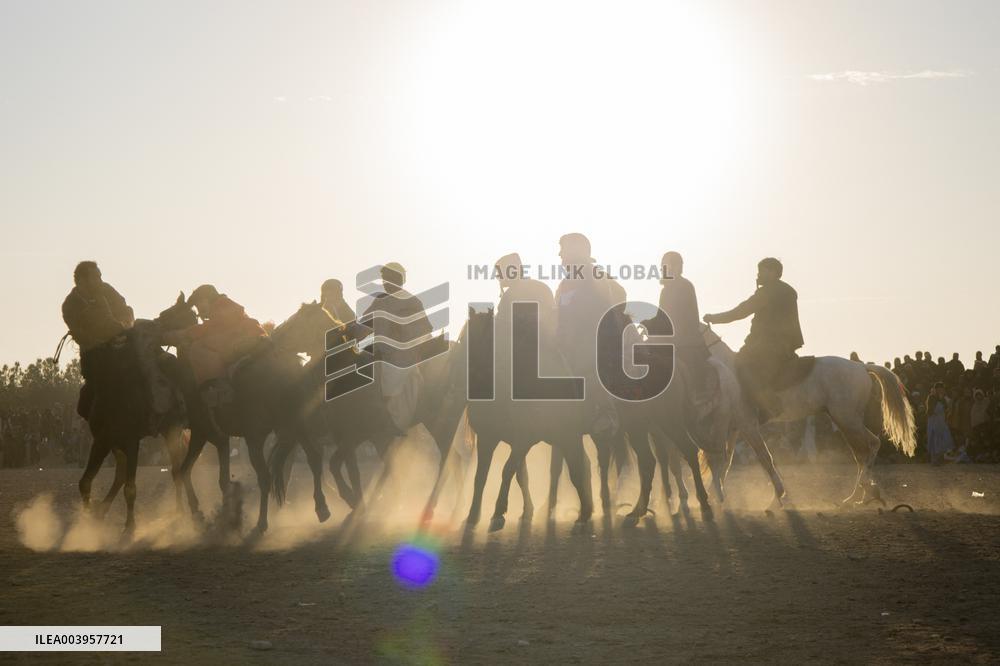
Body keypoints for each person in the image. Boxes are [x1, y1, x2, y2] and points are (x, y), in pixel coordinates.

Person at [704, 257, 803, 420]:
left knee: (742, 365)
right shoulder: (785, 290)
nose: (758, 274)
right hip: (781, 342)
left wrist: (714, 318)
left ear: (772, 272)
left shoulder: (769, 291)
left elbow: (741, 311)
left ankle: (768, 406)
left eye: (761, 271)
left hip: (769, 343)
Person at [555, 233, 618, 437]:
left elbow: (601, 308)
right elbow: (559, 312)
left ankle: (605, 413)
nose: (560, 255)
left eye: (563, 251)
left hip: (595, 339)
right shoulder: (565, 283)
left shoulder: (594, 276)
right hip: (568, 342)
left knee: (588, 367)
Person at [360, 263, 434, 432]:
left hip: (401, 355)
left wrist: (403, 330)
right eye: (385, 279)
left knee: (392, 379)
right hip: (377, 352)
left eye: (390, 279)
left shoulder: (412, 302)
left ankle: (393, 422)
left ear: (400, 280)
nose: (386, 283)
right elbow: (364, 323)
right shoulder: (379, 301)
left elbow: (426, 329)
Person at [163, 285, 267, 402]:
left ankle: (218, 391)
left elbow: (210, 328)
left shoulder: (223, 306)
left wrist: (180, 334)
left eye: (199, 304)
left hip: (247, 341)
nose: (199, 311)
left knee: (198, 348)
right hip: (252, 339)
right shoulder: (226, 308)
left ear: (206, 299)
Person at [61, 261, 136, 417]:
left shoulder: (106, 290)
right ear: (82, 280)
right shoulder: (70, 305)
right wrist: (105, 341)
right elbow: (82, 337)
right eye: (96, 277)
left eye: (100, 276)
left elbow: (126, 309)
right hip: (95, 355)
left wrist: (125, 326)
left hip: (123, 343)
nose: (100, 280)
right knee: (89, 403)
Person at [925, 382, 954, 465]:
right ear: (936, 389)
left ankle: (940, 458)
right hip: (934, 420)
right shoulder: (931, 397)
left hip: (941, 420)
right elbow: (930, 410)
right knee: (934, 438)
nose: (941, 390)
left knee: (943, 438)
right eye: (939, 388)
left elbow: (946, 409)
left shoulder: (944, 399)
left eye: (942, 388)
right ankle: (934, 459)